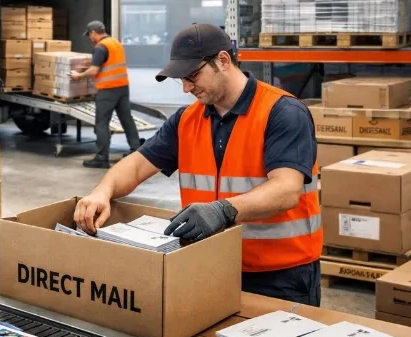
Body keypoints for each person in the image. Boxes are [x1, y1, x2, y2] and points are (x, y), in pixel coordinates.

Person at [72, 23, 322, 306]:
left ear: (223, 61)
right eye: (181, 80)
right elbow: (137, 165)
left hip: (281, 276)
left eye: (192, 76)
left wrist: (223, 210)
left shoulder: (282, 112)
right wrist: (102, 191)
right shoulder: (187, 119)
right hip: (211, 265)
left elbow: (286, 190)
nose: (187, 88)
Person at [69, 21, 142, 169]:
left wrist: (78, 76)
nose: (90, 38)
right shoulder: (115, 43)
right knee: (127, 119)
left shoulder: (101, 48)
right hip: (122, 87)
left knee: (101, 123)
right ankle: (136, 151)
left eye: (89, 35)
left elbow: (94, 70)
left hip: (107, 90)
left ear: (93, 33)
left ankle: (102, 158)